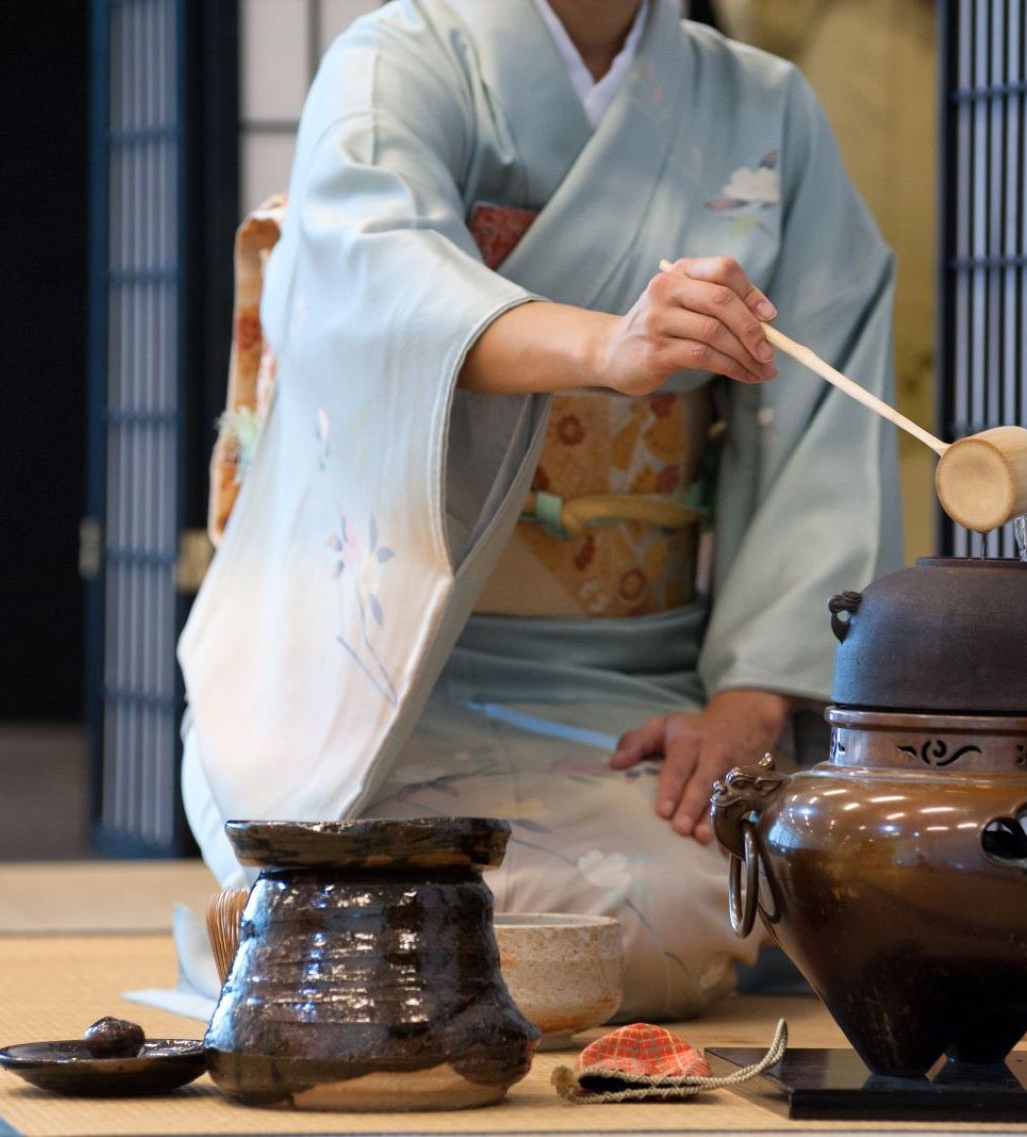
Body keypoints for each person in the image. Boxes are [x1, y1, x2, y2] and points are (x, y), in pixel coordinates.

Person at [178, 0, 902, 1020]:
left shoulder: (765, 111)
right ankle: (300, 913)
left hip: (622, 701)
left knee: (667, 917)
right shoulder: (399, 63)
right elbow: (373, 285)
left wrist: (746, 706)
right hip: (365, 676)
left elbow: (822, 422)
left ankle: (295, 942)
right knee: (348, 852)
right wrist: (608, 350)